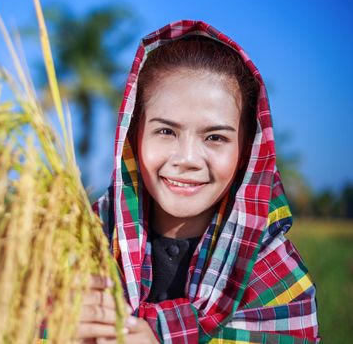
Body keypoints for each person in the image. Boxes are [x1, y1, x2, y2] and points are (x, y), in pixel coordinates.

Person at [76, 20, 320, 343]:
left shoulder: (275, 282)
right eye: (165, 131)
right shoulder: (82, 245)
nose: (187, 158)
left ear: (245, 151)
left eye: (215, 137)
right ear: (134, 137)